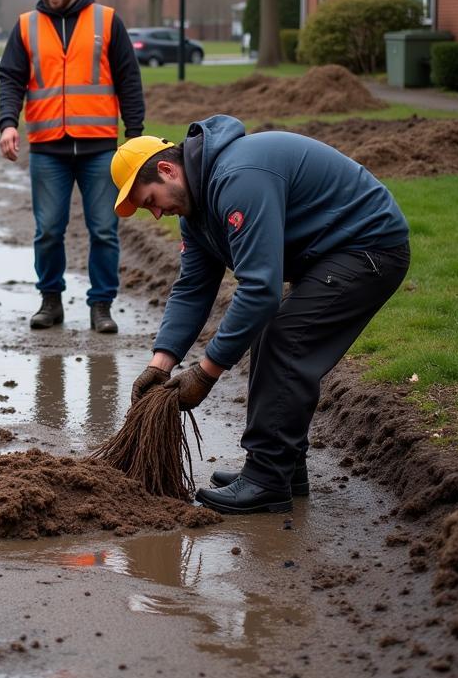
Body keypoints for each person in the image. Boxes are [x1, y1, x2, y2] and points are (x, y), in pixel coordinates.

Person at [113, 115, 411, 514]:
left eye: (150, 200)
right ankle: (284, 468)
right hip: (328, 255)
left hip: (368, 248)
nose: (155, 213)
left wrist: (205, 374)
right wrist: (160, 363)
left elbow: (260, 290)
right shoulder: (196, 213)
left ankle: (267, 480)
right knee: (272, 333)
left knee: (284, 339)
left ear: (167, 170)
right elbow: (192, 289)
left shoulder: (238, 178)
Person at [0, 0, 145, 333]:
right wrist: (8, 123)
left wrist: (135, 135)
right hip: (48, 147)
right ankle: (50, 301)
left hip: (99, 147)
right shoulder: (26, 26)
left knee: (104, 230)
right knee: (48, 230)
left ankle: (101, 306)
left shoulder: (107, 21)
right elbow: (10, 78)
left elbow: (129, 79)